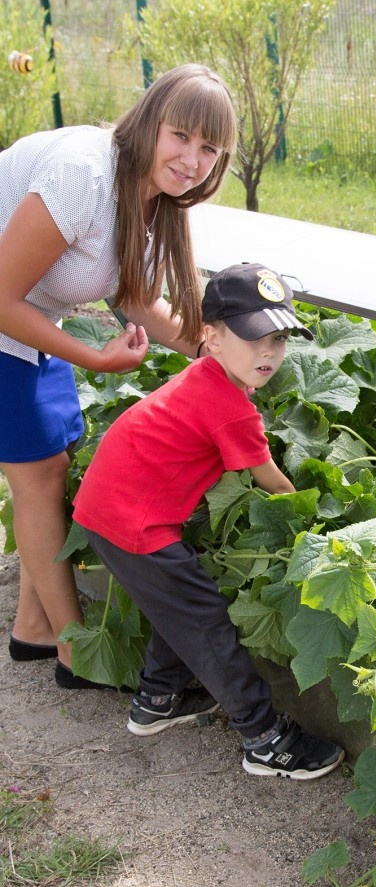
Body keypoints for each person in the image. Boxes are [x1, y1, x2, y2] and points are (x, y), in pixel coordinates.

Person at [0, 64, 237, 689]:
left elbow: (133, 298)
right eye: (180, 135)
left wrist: (215, 354)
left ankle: (33, 626)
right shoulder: (85, 172)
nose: (192, 159)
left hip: (25, 309)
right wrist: (95, 359)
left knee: (53, 461)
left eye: (209, 148)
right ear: (149, 120)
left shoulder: (149, 197)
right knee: (39, 473)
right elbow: (0, 296)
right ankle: (77, 652)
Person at [72, 262, 345, 780]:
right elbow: (274, 484)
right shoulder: (232, 409)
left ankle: (158, 699)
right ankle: (264, 739)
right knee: (205, 620)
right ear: (213, 339)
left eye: (280, 339)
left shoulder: (207, 377)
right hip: (136, 524)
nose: (269, 352)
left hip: (108, 509)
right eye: (254, 337)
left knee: (181, 608)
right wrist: (318, 524)